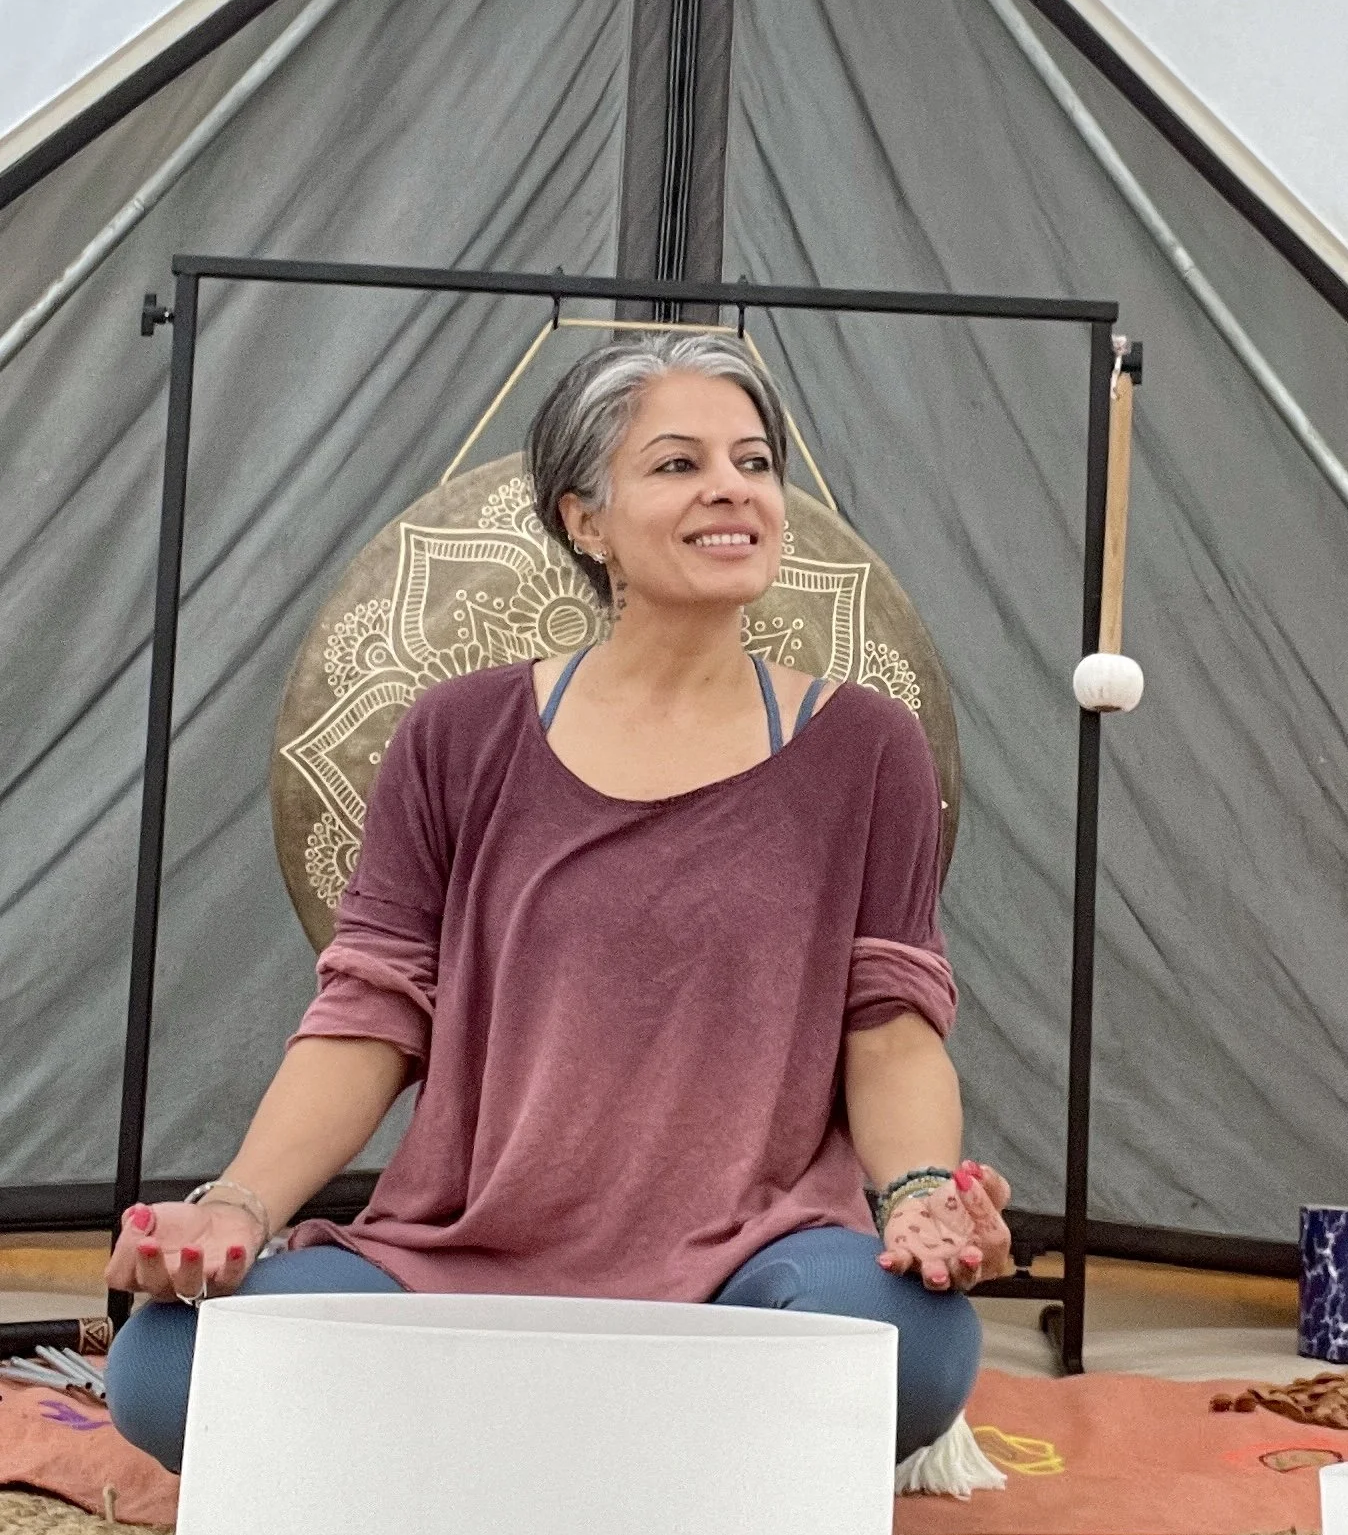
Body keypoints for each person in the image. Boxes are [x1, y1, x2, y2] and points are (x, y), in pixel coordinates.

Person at [106, 330, 1013, 1472]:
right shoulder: (454, 735)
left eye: (754, 461)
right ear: (585, 520)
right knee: (165, 1374)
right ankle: (636, 1457)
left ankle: (484, 1456)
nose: (732, 488)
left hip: (749, 1254)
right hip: (467, 1253)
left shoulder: (868, 747)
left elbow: (889, 1025)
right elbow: (369, 1012)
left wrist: (922, 1195)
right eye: (679, 464)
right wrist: (237, 1207)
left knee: (911, 1352)